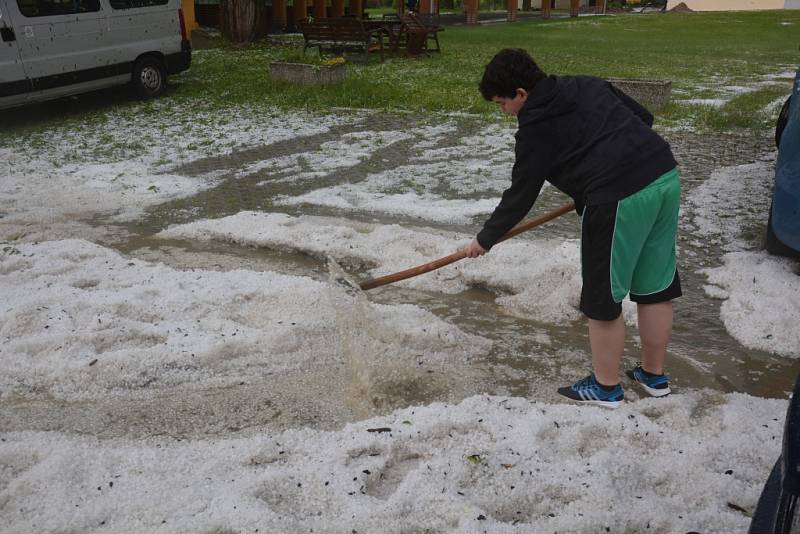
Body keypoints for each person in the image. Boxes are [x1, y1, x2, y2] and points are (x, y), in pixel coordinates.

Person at [466, 48, 681, 408]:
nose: (503, 111)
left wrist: (484, 239)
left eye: (502, 103)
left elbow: (520, 195)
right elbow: (642, 118)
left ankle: (605, 387)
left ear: (521, 93)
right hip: (663, 176)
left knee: (602, 298)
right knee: (655, 287)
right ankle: (653, 376)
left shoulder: (534, 130)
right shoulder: (585, 84)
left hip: (618, 198)